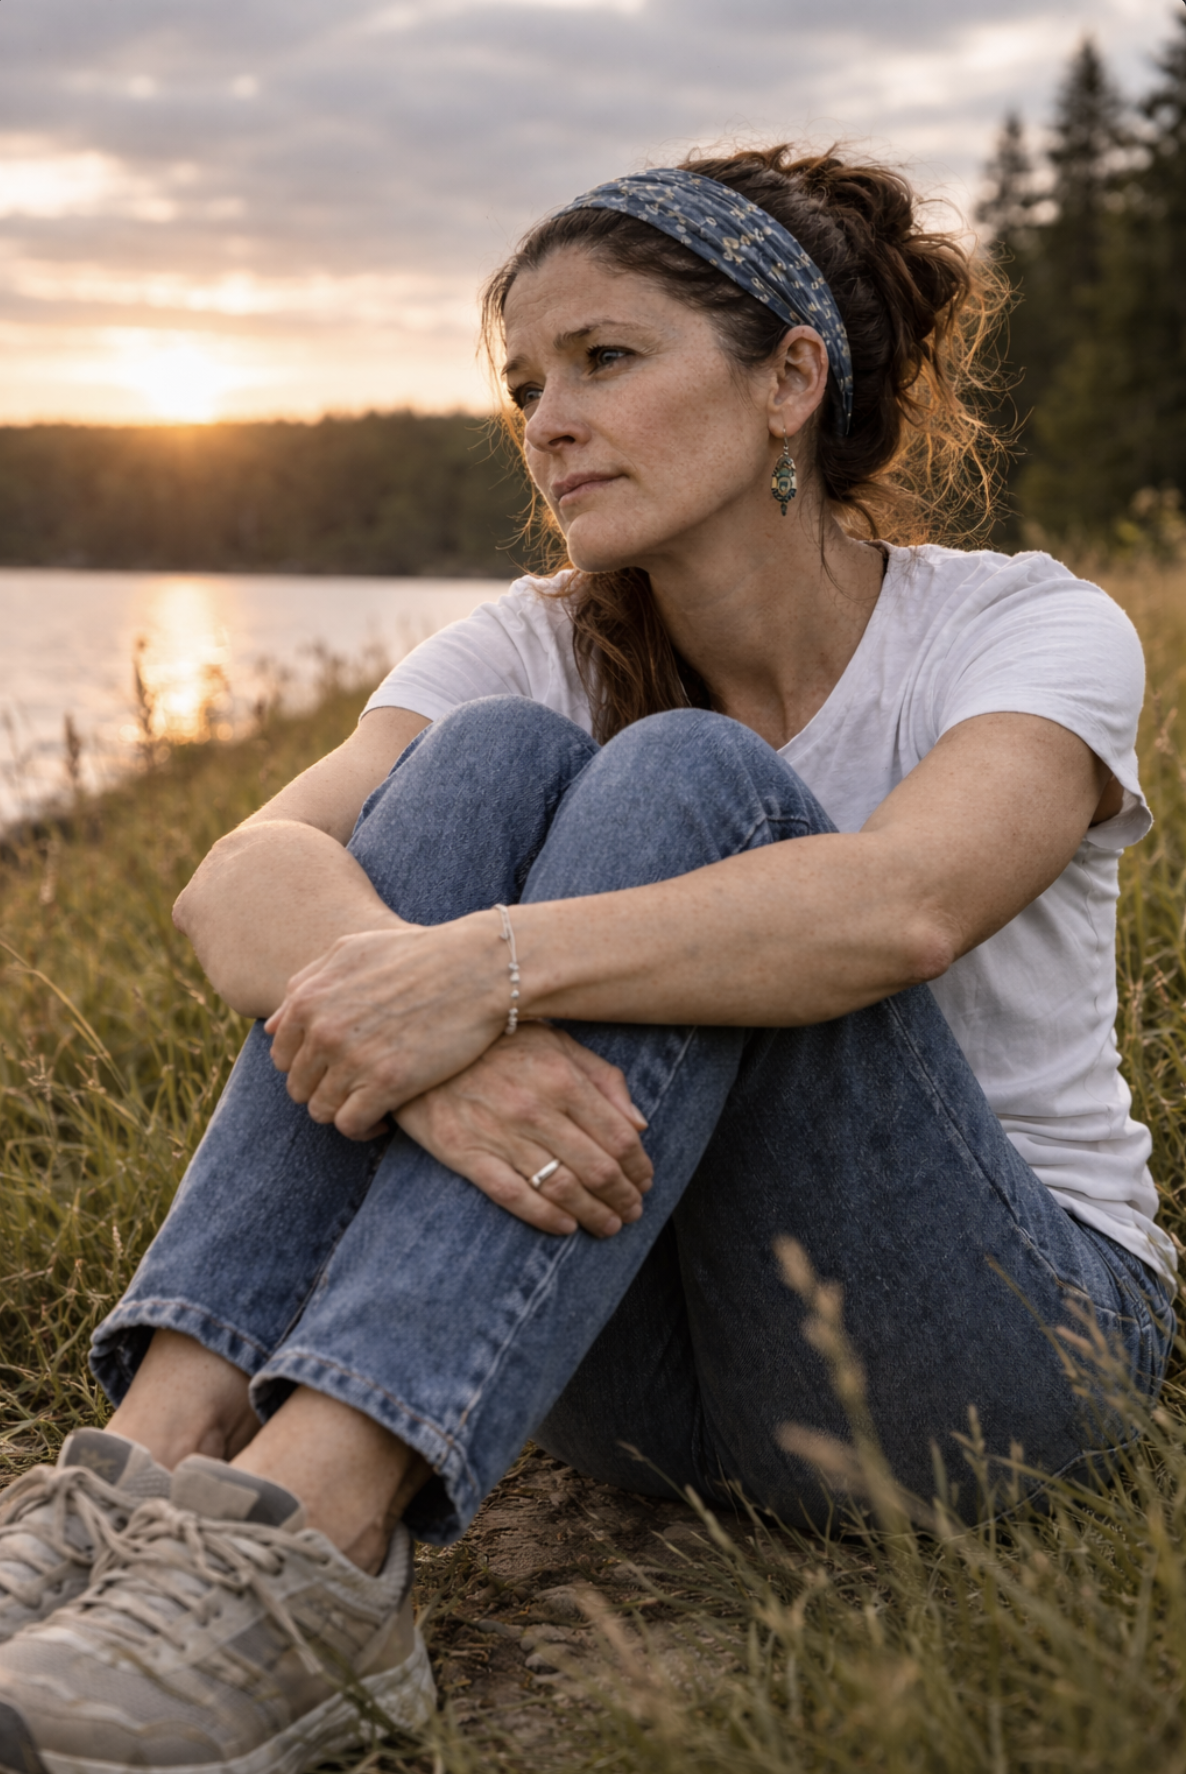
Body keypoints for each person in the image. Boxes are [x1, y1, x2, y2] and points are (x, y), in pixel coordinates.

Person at [0, 145, 1174, 1774]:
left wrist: (479, 976)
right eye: (526, 380)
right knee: (469, 762)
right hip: (629, 1363)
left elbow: (900, 905)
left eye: (606, 360)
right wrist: (453, 1043)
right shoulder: (533, 640)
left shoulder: (1021, 627)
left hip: (989, 1352)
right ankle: (154, 1449)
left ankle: (315, 1531)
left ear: (787, 380)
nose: (546, 419)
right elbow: (241, 878)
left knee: (680, 782)